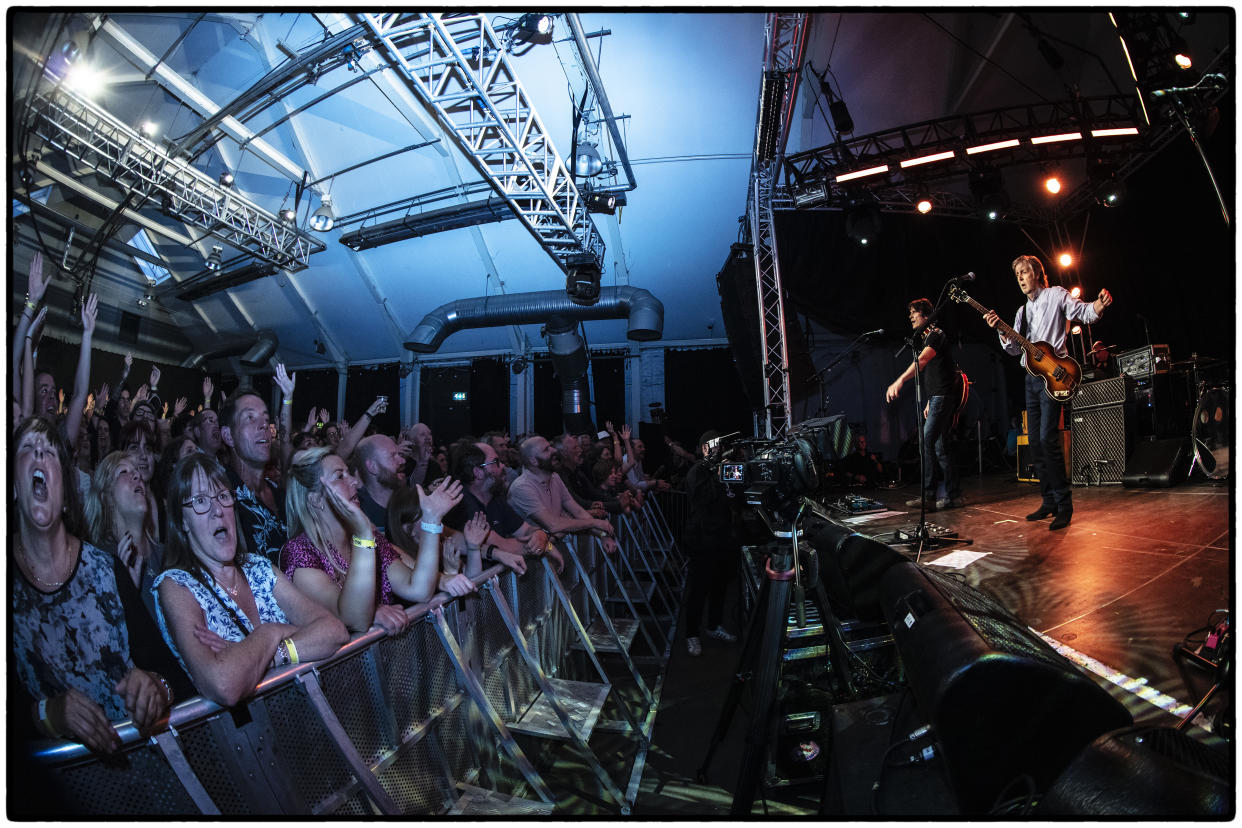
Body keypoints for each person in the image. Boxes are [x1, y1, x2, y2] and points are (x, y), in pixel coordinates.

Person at [11, 417, 178, 754]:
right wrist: (49, 714)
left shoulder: (105, 568)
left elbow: (168, 670)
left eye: (51, 453)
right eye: (28, 449)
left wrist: (156, 689)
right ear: (13, 485)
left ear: (68, 493)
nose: (40, 455)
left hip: (144, 767)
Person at [154, 453, 348, 707]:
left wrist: (269, 654)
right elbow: (224, 684)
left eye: (223, 497)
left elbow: (334, 631)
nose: (217, 511)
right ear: (182, 522)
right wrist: (273, 632)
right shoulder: (176, 586)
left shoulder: (259, 568)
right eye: (200, 501)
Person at [984, 255, 1113, 530]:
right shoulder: (1021, 313)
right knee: (1034, 443)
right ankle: (1049, 501)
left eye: (1024, 271)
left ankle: (1064, 505)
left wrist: (1099, 305)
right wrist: (1002, 333)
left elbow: (1083, 312)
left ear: (1037, 273)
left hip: (1054, 376)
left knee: (1046, 439)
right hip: (1031, 379)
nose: (1020, 277)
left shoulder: (1056, 295)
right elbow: (1013, 349)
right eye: (1017, 273)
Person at [280, 447, 458, 634]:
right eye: (340, 476)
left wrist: (431, 521)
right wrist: (363, 537)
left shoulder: (371, 540)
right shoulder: (299, 553)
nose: (355, 482)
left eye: (349, 473)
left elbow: (419, 589)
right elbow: (352, 620)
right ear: (316, 500)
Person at [886, 298, 964, 511]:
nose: (910, 317)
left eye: (914, 312)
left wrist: (900, 380)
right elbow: (938, 373)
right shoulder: (928, 337)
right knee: (940, 448)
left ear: (926, 315)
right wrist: (930, 400)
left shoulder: (936, 335)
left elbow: (922, 361)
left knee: (925, 442)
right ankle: (954, 496)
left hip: (943, 398)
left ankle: (929, 496)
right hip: (938, 398)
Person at [680, 430, 740, 657]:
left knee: (720, 586)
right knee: (699, 588)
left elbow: (736, 495)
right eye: (714, 445)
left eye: (720, 445)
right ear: (704, 447)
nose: (718, 449)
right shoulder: (698, 470)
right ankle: (691, 634)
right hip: (702, 538)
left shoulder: (726, 467)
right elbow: (702, 498)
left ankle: (714, 626)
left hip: (723, 537)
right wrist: (717, 474)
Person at [508, 435, 618, 553]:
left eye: (550, 447)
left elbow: (578, 511)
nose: (554, 450)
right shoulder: (522, 487)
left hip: (550, 549)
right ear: (533, 461)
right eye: (546, 450)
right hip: (531, 559)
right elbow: (553, 524)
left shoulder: (555, 477)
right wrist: (595, 522)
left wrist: (601, 534)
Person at [219, 388, 288, 562]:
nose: (264, 425)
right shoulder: (222, 500)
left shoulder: (279, 492)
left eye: (266, 418)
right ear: (228, 436)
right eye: (250, 417)